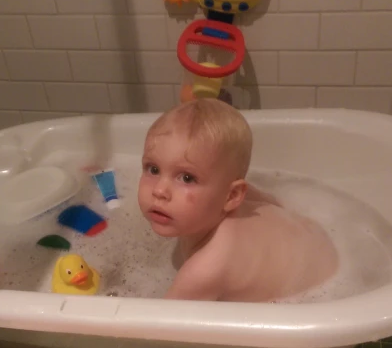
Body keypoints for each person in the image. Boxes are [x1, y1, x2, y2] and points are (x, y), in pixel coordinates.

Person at [137, 98, 338, 302]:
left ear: (232, 196)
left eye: (187, 178)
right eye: (153, 169)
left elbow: (160, 328)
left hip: (320, 283)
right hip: (312, 238)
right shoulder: (239, 196)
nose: (160, 190)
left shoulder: (204, 271)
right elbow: (276, 204)